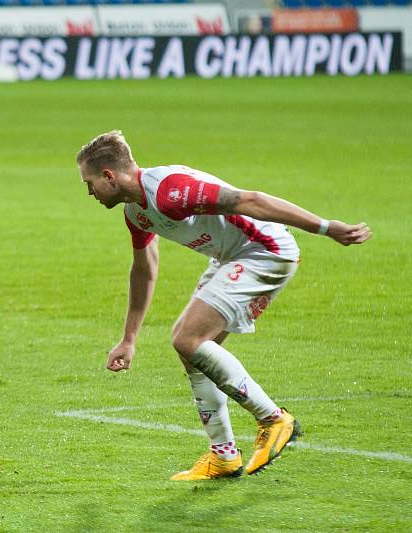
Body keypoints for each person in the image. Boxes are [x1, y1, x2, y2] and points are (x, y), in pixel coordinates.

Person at [76, 130, 371, 480]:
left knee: (187, 339)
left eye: (90, 182)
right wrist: (129, 339)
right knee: (193, 350)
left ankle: (274, 419)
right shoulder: (136, 214)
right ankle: (224, 456)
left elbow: (250, 200)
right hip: (231, 258)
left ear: (109, 176)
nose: (89, 192)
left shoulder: (170, 191)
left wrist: (324, 227)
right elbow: (144, 270)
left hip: (265, 251)